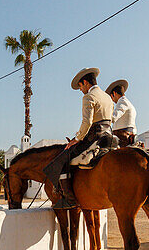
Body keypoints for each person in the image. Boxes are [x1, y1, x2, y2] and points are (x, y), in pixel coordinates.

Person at [42, 67, 114, 209]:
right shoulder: (107, 97)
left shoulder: (88, 97)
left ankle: (69, 199)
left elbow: (87, 122)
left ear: (86, 83)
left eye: (80, 86)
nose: (81, 90)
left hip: (94, 137)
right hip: (109, 136)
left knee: (62, 160)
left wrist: (77, 139)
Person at [106, 79, 137, 146]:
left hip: (122, 137)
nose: (112, 100)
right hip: (129, 135)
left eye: (111, 97)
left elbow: (114, 117)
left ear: (114, 93)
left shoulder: (122, 102)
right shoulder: (129, 103)